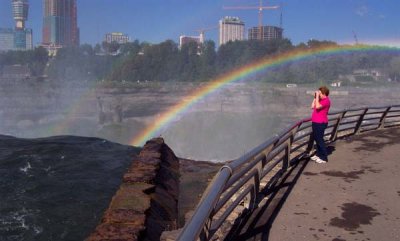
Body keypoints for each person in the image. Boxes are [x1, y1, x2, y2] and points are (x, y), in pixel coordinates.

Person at [310, 86, 331, 164]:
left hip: (321, 122)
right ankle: (319, 154)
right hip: (315, 122)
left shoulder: (326, 101)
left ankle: (324, 157)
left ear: (324, 93)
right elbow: (312, 106)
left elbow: (318, 107)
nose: (318, 94)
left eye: (320, 93)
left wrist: (318, 97)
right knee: (317, 139)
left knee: (320, 140)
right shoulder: (320, 100)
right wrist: (315, 97)